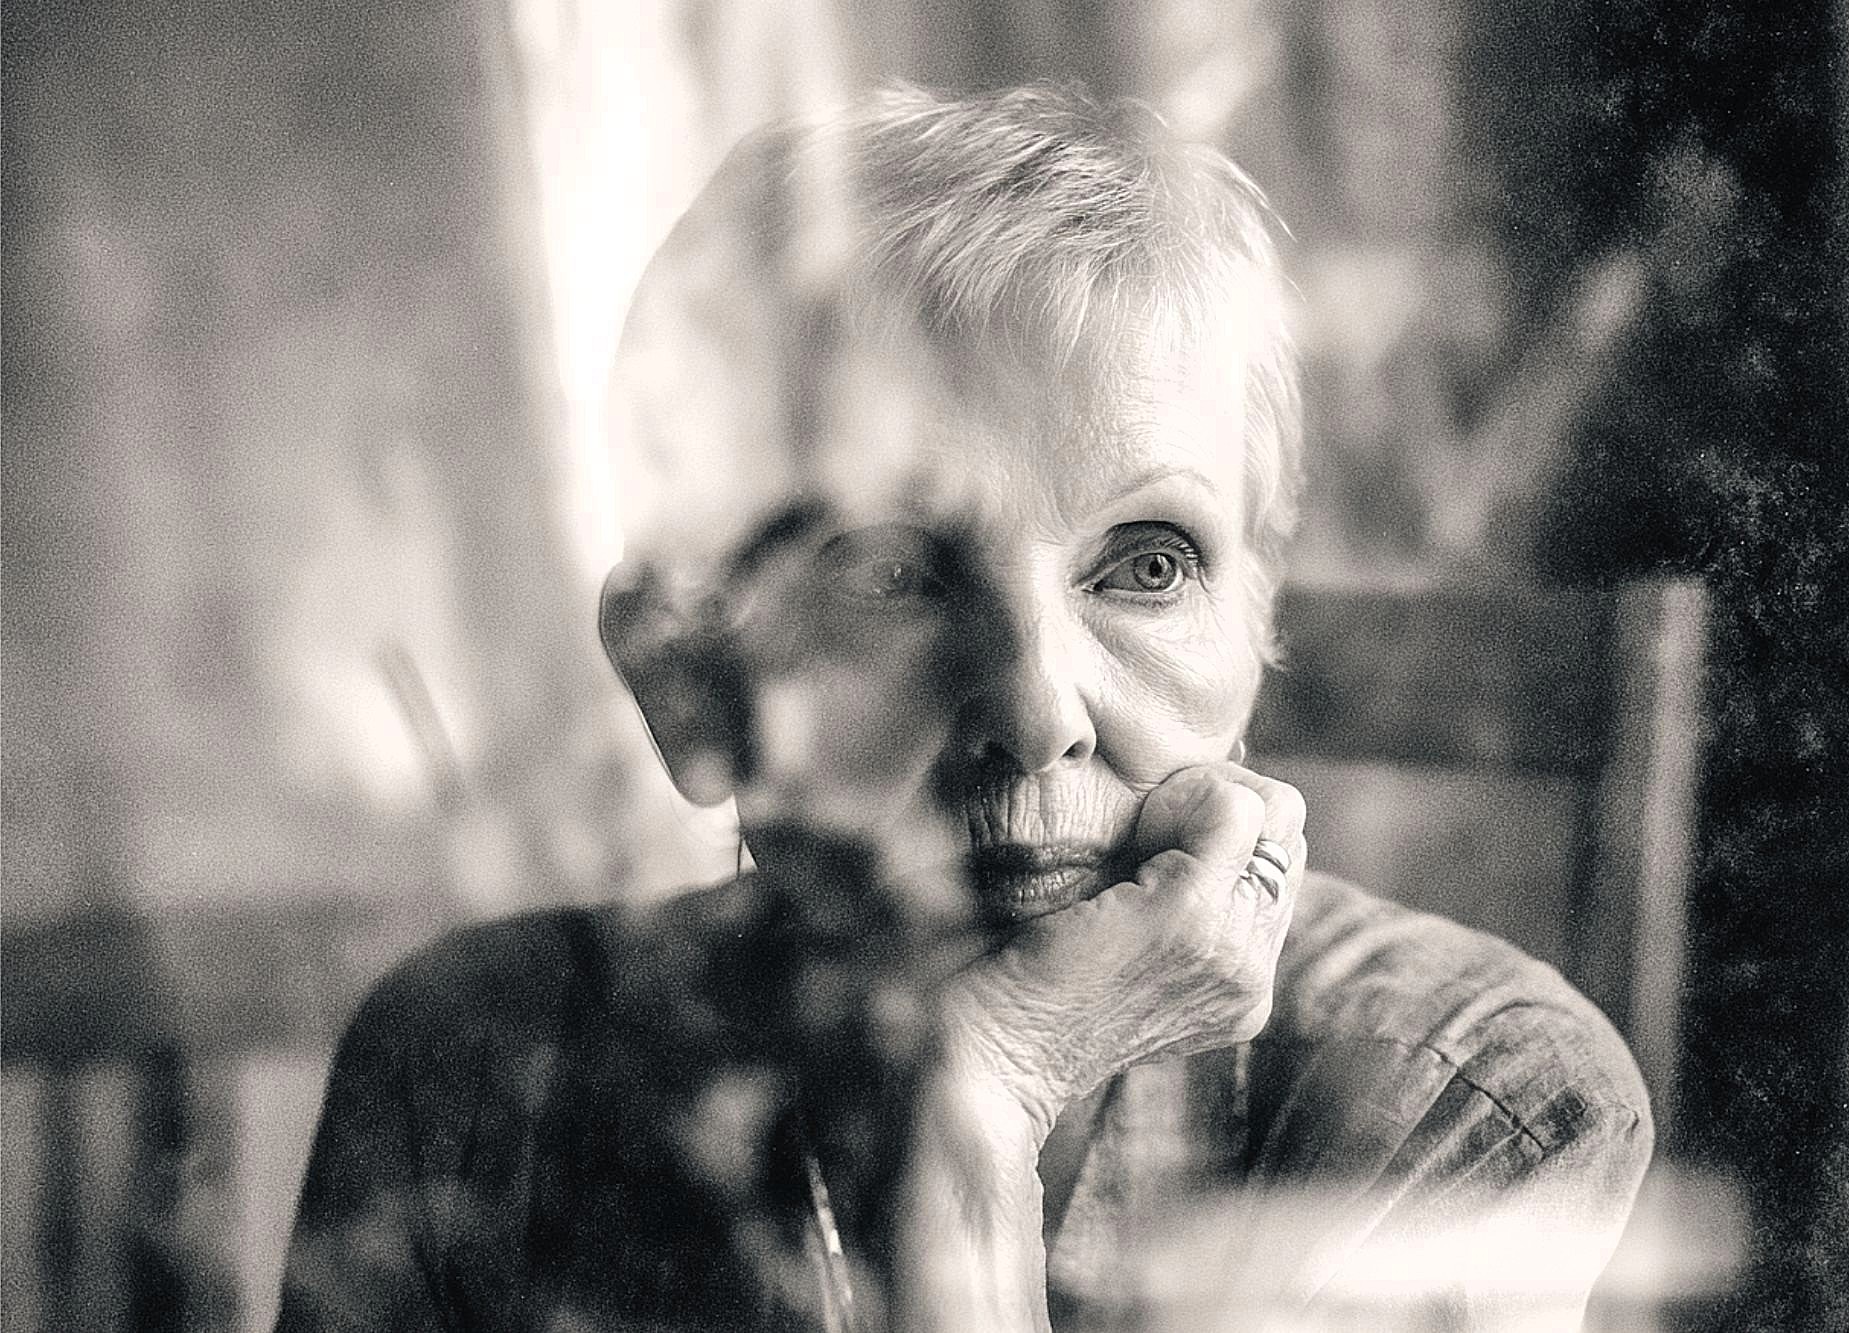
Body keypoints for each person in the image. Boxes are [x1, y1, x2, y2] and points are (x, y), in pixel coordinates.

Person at [276, 85, 1651, 1332]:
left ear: (1256, 619)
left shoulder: (1463, 1102)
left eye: (1148, 565)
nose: (1038, 713)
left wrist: (979, 1121)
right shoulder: (475, 1068)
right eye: (894, 576)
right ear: (685, 683)